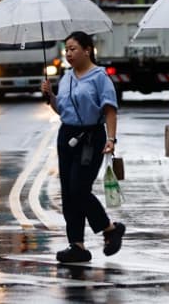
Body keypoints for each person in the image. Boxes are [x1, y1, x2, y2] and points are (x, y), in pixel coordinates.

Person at [40, 31, 125, 264]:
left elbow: (109, 109)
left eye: (73, 48)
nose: (68, 53)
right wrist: (50, 96)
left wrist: (111, 139)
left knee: (79, 188)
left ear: (87, 50)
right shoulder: (66, 76)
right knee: (68, 193)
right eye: (66, 49)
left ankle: (109, 228)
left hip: (91, 137)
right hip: (66, 134)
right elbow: (62, 110)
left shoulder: (100, 77)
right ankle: (77, 245)